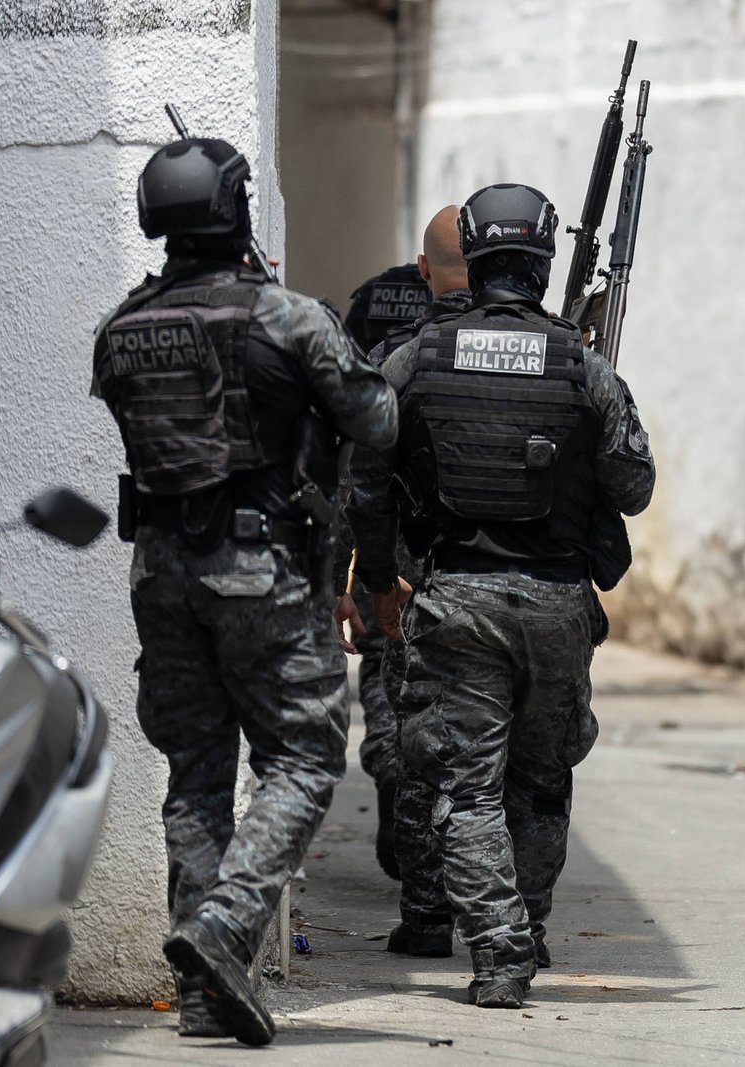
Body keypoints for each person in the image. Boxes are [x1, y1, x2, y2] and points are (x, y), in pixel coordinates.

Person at [91, 135, 396, 1045]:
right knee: (303, 758)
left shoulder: (121, 326)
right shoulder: (287, 318)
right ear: (234, 211)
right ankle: (222, 929)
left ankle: (200, 995)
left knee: (195, 773)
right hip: (259, 571)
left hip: (162, 575)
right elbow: (377, 420)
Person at [347, 182, 655, 1009]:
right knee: (542, 778)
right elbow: (634, 487)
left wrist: (377, 580)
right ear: (545, 262)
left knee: (467, 786)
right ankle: (532, 924)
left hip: (458, 605)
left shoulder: (413, 357)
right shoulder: (580, 363)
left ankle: (499, 951)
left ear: (473, 263)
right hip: (558, 605)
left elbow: (364, 480)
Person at [333, 205, 474, 958]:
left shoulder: (390, 345)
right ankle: (509, 914)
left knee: (404, 718)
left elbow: (355, 473)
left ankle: (425, 898)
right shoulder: (543, 348)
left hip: (411, 571)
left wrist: (362, 575)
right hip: (495, 575)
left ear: (425, 269)